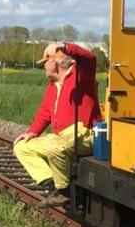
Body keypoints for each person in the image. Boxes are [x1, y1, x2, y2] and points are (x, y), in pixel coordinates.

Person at [14, 41, 101, 194]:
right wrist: (32, 132)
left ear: (53, 62)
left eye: (44, 63)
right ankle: (52, 186)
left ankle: (63, 191)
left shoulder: (81, 76)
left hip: (85, 134)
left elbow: (90, 58)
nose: (43, 68)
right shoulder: (52, 86)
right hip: (61, 137)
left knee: (53, 146)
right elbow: (45, 112)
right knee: (22, 147)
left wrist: (65, 47)